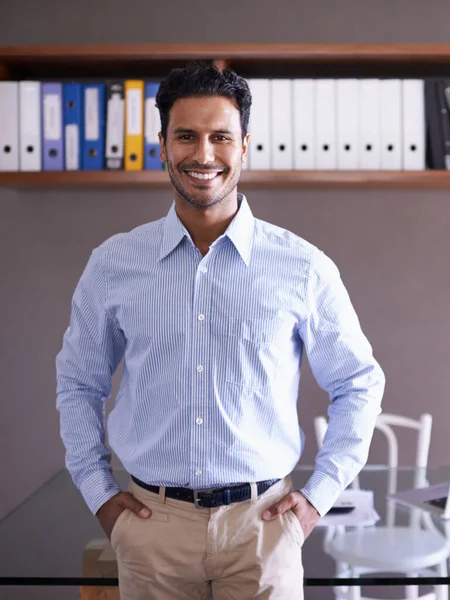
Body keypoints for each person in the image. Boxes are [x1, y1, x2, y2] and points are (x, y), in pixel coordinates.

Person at [56, 62, 385, 600]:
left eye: (220, 137)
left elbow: (358, 382)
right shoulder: (114, 264)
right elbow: (78, 383)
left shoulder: (302, 267)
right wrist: (101, 497)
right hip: (151, 531)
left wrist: (317, 499)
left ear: (245, 145)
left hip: (263, 529)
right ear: (162, 144)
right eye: (186, 136)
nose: (203, 155)